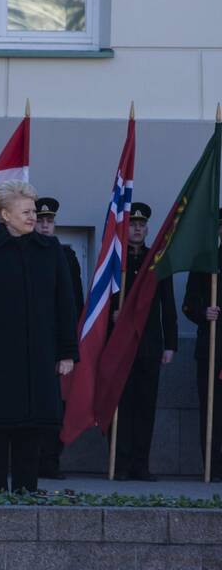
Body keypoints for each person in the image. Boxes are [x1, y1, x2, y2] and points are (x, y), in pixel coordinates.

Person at [0, 180, 78, 494]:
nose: (33, 216)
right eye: (25, 211)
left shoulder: (50, 249)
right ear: (5, 214)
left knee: (31, 429)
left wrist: (66, 352)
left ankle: (26, 494)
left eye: (33, 211)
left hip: (38, 356)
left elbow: (66, 302)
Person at [107, 201, 177, 481]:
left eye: (141, 225)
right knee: (120, 406)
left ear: (147, 228)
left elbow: (167, 304)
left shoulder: (157, 261)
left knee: (145, 407)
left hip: (148, 345)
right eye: (132, 225)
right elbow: (101, 300)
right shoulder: (116, 262)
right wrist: (112, 314)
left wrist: (170, 343)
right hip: (119, 346)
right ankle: (120, 464)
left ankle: (140, 464)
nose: (136, 229)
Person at [33, 197, 86, 480]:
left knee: (55, 406)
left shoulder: (66, 256)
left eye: (48, 221)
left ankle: (50, 461)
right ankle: (27, 461)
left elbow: (73, 304)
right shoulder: (26, 252)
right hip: (30, 344)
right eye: (39, 220)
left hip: (55, 346)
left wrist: (68, 348)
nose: (44, 225)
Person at [183, 208, 222, 482]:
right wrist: (202, 313)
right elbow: (188, 304)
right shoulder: (203, 261)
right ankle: (212, 466)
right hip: (211, 348)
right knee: (210, 409)